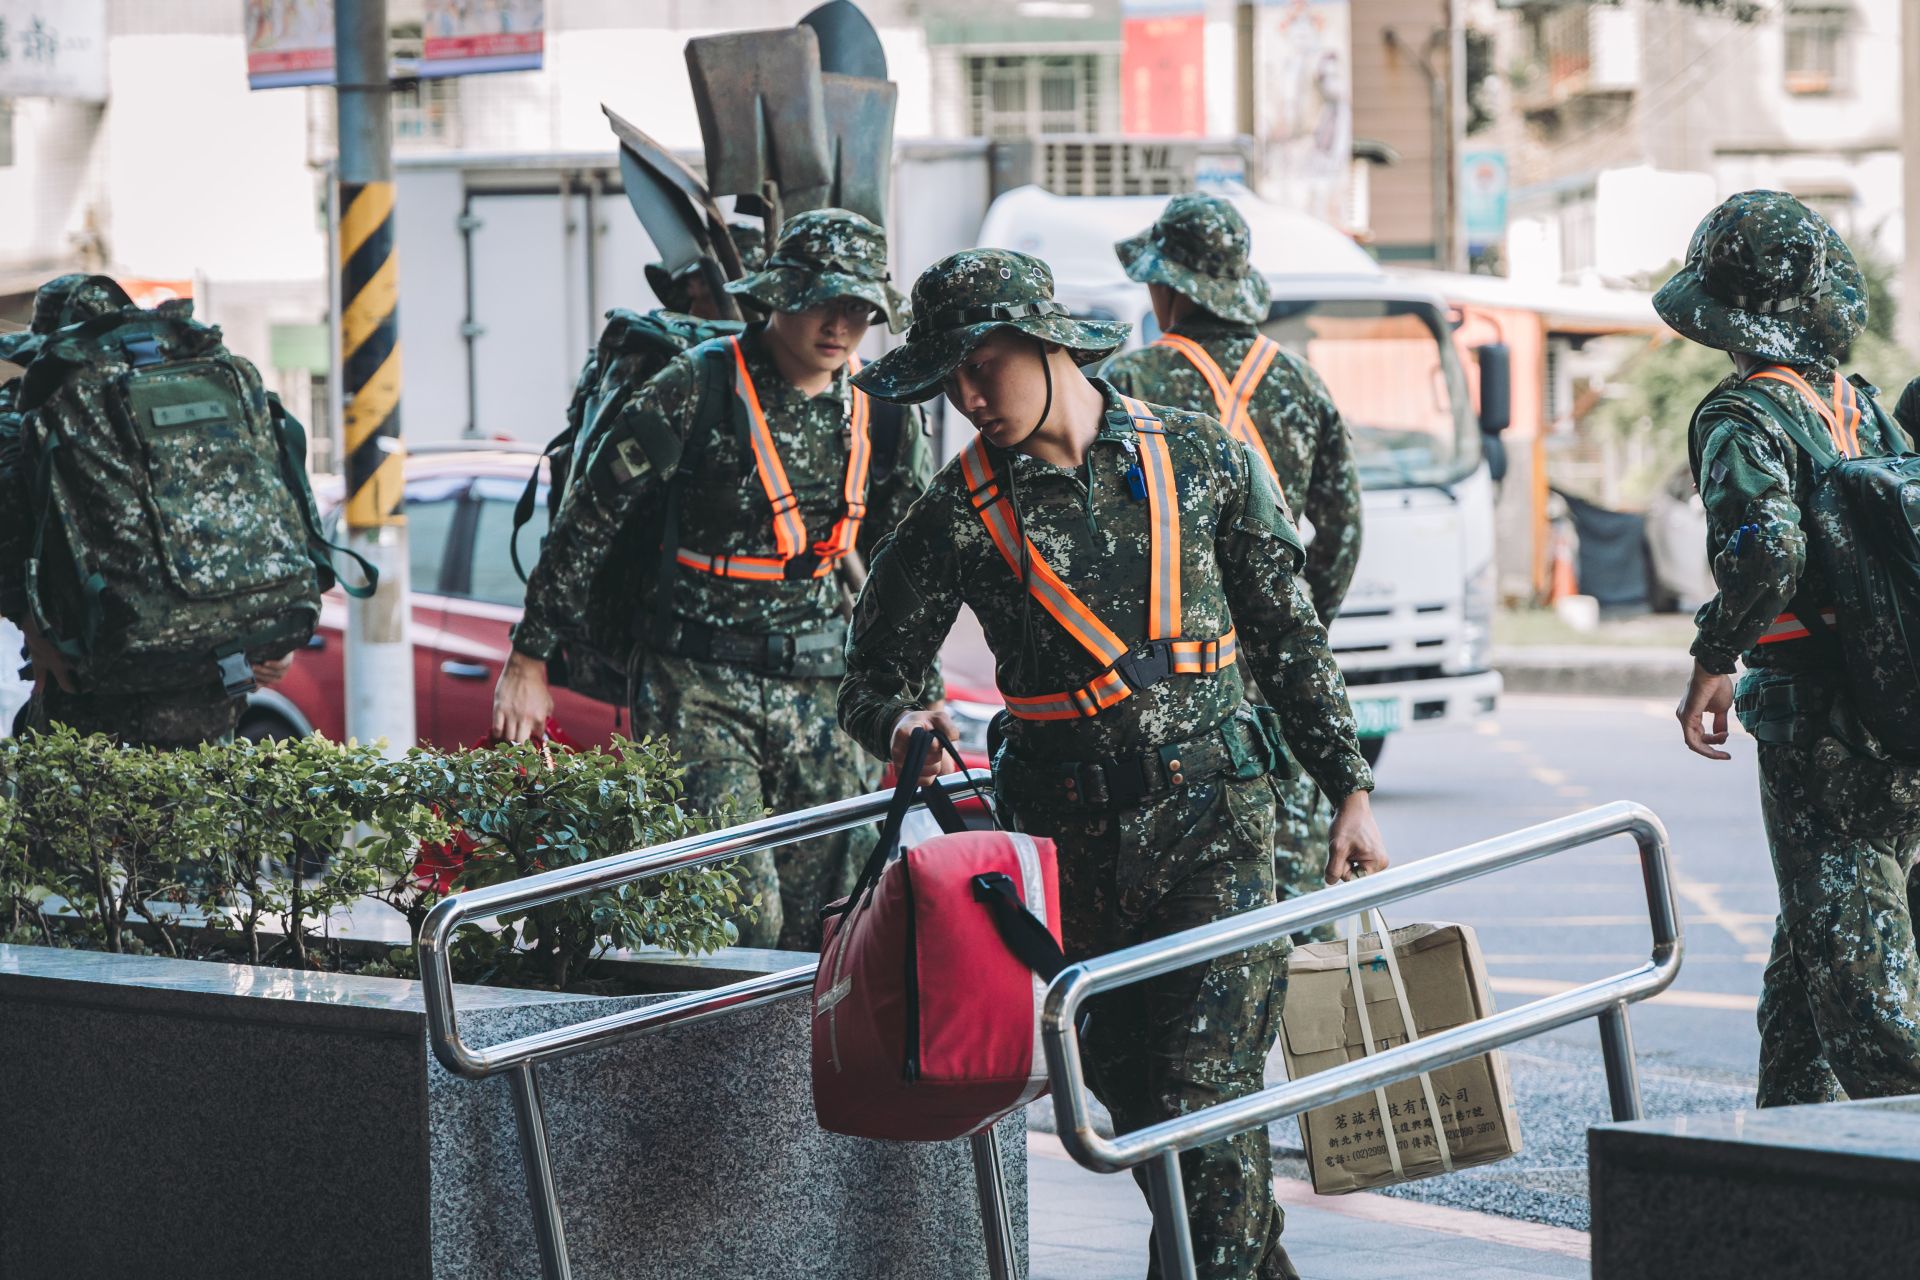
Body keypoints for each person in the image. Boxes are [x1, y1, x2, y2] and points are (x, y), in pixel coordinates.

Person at [840, 248, 1387, 1279]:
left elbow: (1287, 631)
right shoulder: (957, 510)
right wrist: (904, 722)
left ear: (1047, 344)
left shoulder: (1201, 455)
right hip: (1069, 858)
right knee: (1146, 1116)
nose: (966, 397)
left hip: (1218, 826)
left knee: (1202, 1104)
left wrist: (1348, 784)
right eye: (946, 379)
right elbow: (870, 673)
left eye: (981, 364)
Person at [494, 209, 938, 951]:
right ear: (778, 295)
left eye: (860, 308)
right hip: (695, 681)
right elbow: (588, 521)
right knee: (738, 919)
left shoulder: (884, 413)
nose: (841, 324)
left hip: (822, 684)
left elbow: (913, 570)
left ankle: (805, 1070)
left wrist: (918, 697)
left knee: (834, 921)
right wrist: (530, 657)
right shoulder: (692, 389)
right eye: (823, 300)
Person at [1665, 190, 1920, 1106]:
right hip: (1902, 722)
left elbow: (1768, 549)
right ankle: (1787, 1167)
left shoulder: (1745, 416)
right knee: (1816, 951)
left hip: (1824, 734)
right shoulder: (1863, 410)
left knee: (1869, 1007)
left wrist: (1714, 656)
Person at [1104, 192, 1362, 943]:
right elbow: (1343, 526)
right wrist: (1295, 624)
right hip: (1279, 663)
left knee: (1185, 884)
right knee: (1299, 863)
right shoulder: (1301, 382)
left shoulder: (1128, 382)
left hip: (1169, 669)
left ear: (1169, 288)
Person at [0, 275, 291, 749]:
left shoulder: (28, 419)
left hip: (93, 709)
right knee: (201, 813)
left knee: (84, 814)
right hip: (211, 695)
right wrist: (260, 639)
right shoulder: (188, 400)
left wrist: (35, 627)